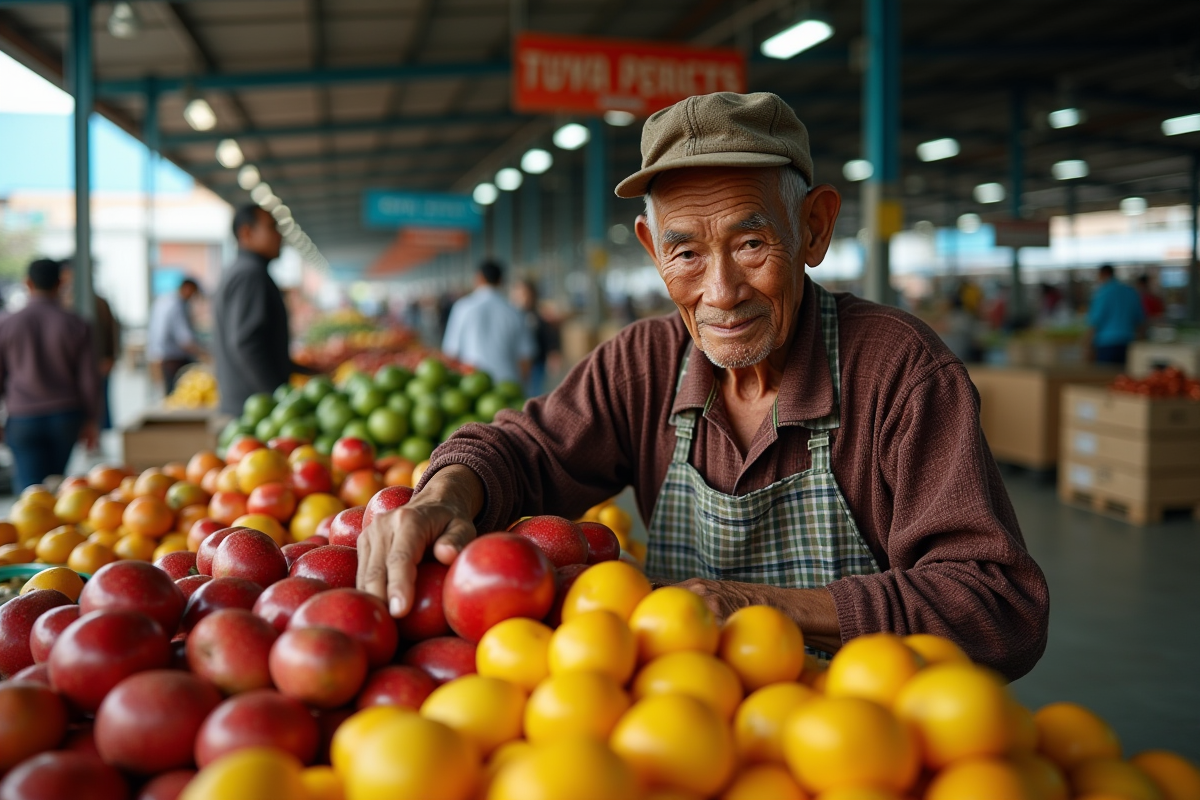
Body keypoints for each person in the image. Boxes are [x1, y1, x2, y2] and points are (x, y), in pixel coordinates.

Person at [357, 92, 1049, 680]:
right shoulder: (644, 364)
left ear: (813, 229)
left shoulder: (898, 372)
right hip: (686, 737)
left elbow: (997, 606)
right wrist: (446, 493)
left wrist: (754, 608)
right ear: (653, 251)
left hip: (856, 748)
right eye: (685, 252)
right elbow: (522, 450)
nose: (720, 293)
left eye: (751, 245)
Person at [0, 259, 99, 490]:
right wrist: (92, 420)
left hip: (22, 417)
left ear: (28, 283)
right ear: (60, 283)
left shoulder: (7, 324)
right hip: (66, 416)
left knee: (30, 491)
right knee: (56, 485)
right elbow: (89, 380)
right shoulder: (76, 324)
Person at [212, 204, 312, 416]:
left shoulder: (242, 271)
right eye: (272, 227)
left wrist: (306, 370)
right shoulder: (250, 275)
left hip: (249, 405)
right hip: (255, 409)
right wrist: (279, 397)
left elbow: (260, 345)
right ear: (246, 233)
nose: (280, 236)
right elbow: (246, 343)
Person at [441, 260, 535, 385]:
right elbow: (525, 357)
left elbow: (450, 352)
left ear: (478, 278)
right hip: (508, 384)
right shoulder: (515, 312)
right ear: (501, 280)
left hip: (473, 384)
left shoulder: (462, 308)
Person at [146, 278, 203, 395]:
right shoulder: (176, 305)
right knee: (179, 395)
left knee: (168, 395)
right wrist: (204, 354)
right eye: (193, 294)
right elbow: (185, 340)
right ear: (187, 288)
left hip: (159, 356)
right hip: (173, 359)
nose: (192, 298)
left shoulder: (164, 300)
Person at [510, 278, 561, 396]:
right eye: (518, 294)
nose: (522, 298)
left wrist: (553, 353)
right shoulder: (510, 316)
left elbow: (548, 336)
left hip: (537, 362)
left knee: (534, 392)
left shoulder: (538, 316)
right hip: (517, 363)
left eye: (525, 294)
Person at [1086, 264, 1145, 365]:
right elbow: (1140, 320)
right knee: (1123, 377)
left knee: (1106, 377)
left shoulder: (1102, 293)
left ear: (1103, 274)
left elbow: (1095, 321)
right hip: (1128, 342)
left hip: (1106, 343)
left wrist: (1087, 345)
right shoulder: (1130, 291)